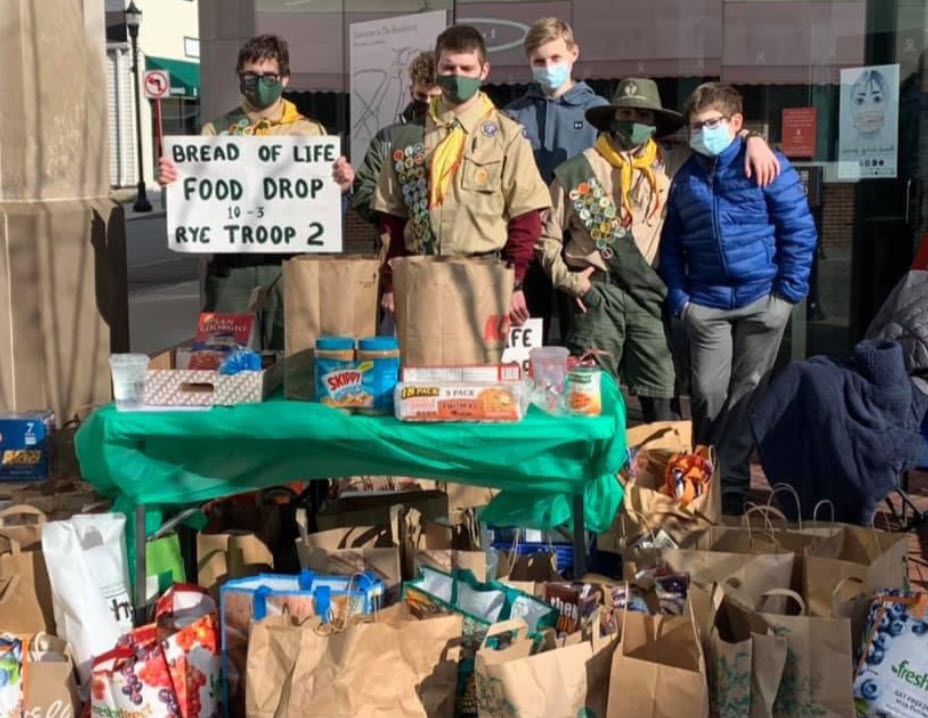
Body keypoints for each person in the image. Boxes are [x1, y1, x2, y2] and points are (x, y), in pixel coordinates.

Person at [537, 78, 781, 422]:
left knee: (662, 393)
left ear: (654, 124)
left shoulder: (673, 162)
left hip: (648, 295)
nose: (634, 121)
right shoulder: (579, 170)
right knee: (589, 399)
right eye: (625, 112)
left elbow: (724, 139)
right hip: (597, 295)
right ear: (612, 118)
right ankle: (595, 473)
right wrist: (569, 281)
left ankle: (663, 474)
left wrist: (753, 139)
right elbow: (545, 238)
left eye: (643, 115)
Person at [659, 82, 817, 515]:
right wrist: (682, 300)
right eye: (696, 126)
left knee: (746, 393)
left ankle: (727, 485)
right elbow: (670, 246)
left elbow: (799, 232)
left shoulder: (767, 166)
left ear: (735, 123)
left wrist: (786, 296)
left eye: (711, 124)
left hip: (761, 299)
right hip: (706, 303)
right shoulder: (685, 177)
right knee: (709, 393)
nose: (703, 132)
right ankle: (707, 470)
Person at [158, 34, 355, 349]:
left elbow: (325, 204)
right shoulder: (215, 131)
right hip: (231, 264)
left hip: (289, 263)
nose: (259, 83)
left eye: (269, 76)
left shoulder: (309, 132)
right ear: (239, 77)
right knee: (222, 355)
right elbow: (196, 197)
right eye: (250, 76)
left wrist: (341, 187)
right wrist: (174, 180)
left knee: (292, 353)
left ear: (285, 79)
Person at [372, 25, 551, 326]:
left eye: (467, 68)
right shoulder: (410, 136)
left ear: (484, 71)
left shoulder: (506, 136)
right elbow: (392, 219)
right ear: (438, 69)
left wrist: (515, 282)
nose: (457, 76)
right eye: (449, 67)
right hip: (420, 273)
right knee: (415, 370)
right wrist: (391, 283)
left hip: (483, 275)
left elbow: (526, 216)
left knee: (477, 372)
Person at [504, 18, 609, 340]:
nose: (548, 67)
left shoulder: (599, 112)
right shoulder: (512, 115)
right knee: (529, 336)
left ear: (573, 54)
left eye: (555, 59)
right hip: (528, 241)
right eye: (539, 61)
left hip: (578, 244)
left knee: (580, 340)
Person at [352, 51, 442, 225]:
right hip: (397, 238)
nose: (428, 103)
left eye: (435, 97)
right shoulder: (387, 138)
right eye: (422, 96)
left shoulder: (456, 135)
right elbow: (363, 189)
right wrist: (392, 219)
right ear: (411, 92)